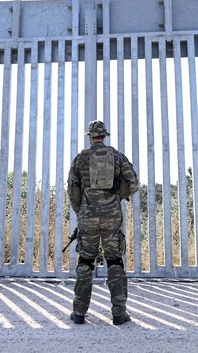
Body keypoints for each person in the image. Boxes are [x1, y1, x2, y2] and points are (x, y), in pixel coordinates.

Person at [66, 120, 139, 326]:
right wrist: (118, 195)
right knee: (115, 261)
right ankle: (118, 313)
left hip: (88, 217)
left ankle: (79, 313)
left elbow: (72, 189)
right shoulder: (116, 157)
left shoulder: (80, 159)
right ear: (104, 136)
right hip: (112, 216)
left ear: (90, 137)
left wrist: (81, 212)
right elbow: (133, 182)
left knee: (86, 262)